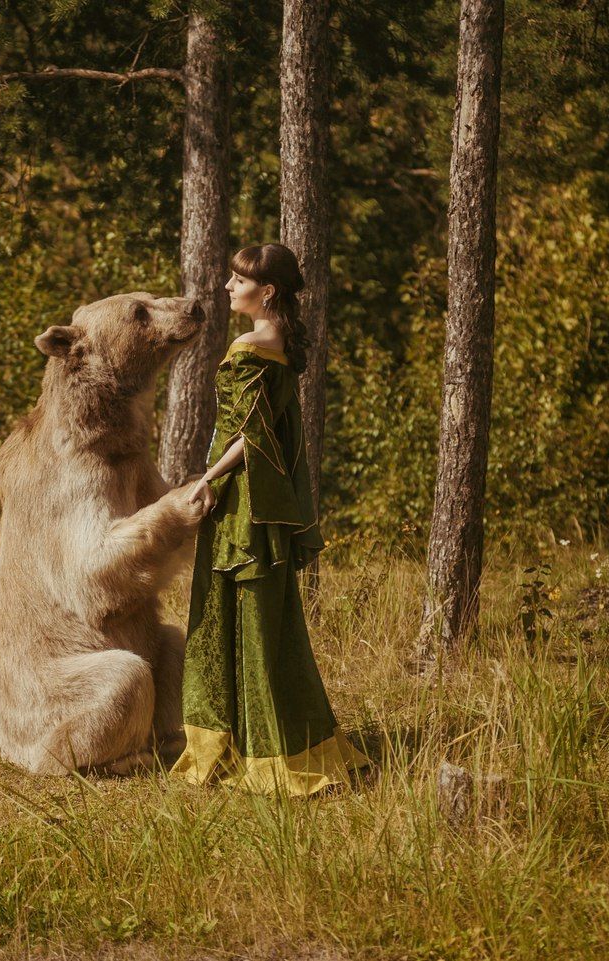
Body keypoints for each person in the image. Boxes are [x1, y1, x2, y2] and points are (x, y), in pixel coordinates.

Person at [170, 243, 370, 794]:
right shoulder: (281, 345)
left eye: (238, 280)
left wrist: (205, 480)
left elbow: (245, 434)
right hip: (271, 504)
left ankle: (236, 752)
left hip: (243, 505)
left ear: (269, 292)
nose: (228, 287)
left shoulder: (248, 347)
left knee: (222, 621)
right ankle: (279, 743)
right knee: (269, 627)